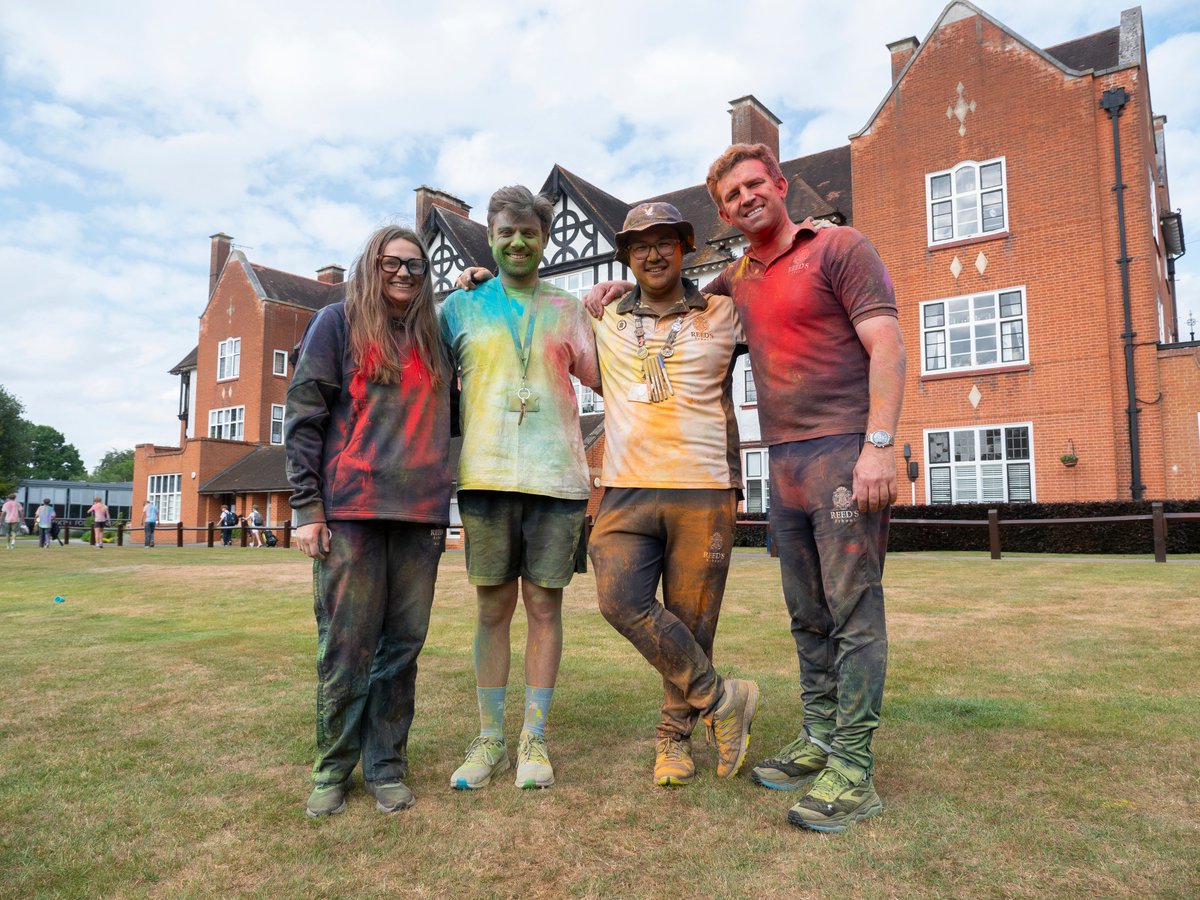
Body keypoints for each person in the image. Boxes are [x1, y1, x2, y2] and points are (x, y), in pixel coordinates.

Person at [590, 144, 905, 832]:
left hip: (843, 451)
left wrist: (879, 446)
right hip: (784, 462)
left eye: (754, 186)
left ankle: (853, 767)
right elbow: (668, 315)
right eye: (732, 196)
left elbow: (886, 342)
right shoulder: (736, 281)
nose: (745, 200)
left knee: (854, 611)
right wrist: (612, 293)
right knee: (807, 613)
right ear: (725, 213)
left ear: (780, 185)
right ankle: (820, 736)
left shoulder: (839, 247)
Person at [587, 202, 760, 786]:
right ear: (626, 257)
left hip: (704, 485)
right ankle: (720, 698)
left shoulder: (725, 312)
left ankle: (673, 741)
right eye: (639, 246)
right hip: (626, 487)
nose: (652, 254)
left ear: (684, 248)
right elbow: (533, 304)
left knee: (689, 621)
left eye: (664, 242)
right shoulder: (604, 317)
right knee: (618, 600)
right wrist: (476, 278)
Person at [285, 224, 455, 817]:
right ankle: (331, 768)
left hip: (421, 514)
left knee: (402, 649)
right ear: (371, 264)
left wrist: (474, 284)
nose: (405, 273)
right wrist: (307, 508)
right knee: (346, 648)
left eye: (416, 265)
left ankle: (386, 765)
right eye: (392, 263)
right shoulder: (338, 323)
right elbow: (305, 413)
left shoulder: (438, 332)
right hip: (351, 509)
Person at [440, 185, 600, 791]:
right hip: (485, 475)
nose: (516, 241)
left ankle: (534, 736)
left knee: (543, 607)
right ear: (490, 234)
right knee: (490, 609)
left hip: (557, 480)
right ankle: (489, 738)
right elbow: (419, 380)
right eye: (505, 231)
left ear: (544, 238)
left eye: (528, 232)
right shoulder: (459, 308)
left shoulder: (567, 310)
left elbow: (610, 378)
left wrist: (614, 304)